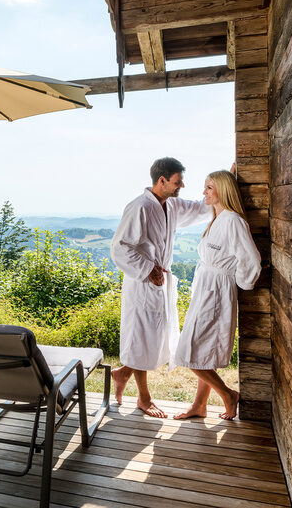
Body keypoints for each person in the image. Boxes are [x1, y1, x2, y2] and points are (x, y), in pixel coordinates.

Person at [110, 157, 211, 418]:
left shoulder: (172, 205)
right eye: (178, 182)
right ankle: (144, 398)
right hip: (142, 283)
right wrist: (147, 269)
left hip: (160, 281)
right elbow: (119, 248)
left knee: (154, 337)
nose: (182, 186)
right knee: (141, 338)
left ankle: (121, 375)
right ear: (162, 180)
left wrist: (228, 181)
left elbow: (202, 208)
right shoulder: (139, 207)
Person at [173, 170, 261, 421]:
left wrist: (241, 282)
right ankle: (199, 405)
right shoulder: (218, 217)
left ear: (222, 190)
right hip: (206, 287)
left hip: (217, 291)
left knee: (191, 353)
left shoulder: (233, 220)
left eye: (209, 187)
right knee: (202, 352)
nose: (204, 192)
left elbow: (251, 260)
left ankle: (228, 394)